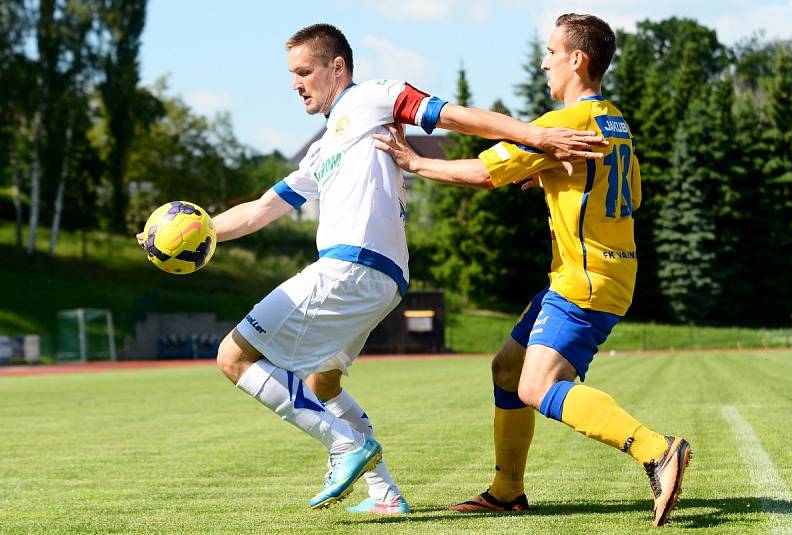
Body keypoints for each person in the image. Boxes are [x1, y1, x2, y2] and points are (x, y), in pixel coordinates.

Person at [139, 23, 605, 514]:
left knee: (233, 358)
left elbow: (458, 117)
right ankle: (384, 494)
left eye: (304, 71)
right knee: (324, 382)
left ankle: (345, 445)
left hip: (349, 267)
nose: (296, 83)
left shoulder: (376, 97)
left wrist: (535, 135)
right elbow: (260, 209)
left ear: (336, 66)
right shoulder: (322, 149)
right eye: (291, 74)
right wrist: (192, 232)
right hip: (378, 279)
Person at [374, 13, 691, 527]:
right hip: (599, 273)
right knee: (506, 367)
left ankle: (657, 451)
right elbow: (631, 194)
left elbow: (481, 173)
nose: (544, 62)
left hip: (582, 282)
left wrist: (414, 163)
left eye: (550, 51)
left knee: (535, 388)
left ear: (576, 59)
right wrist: (553, 180)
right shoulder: (615, 122)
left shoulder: (559, 124)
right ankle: (507, 491)